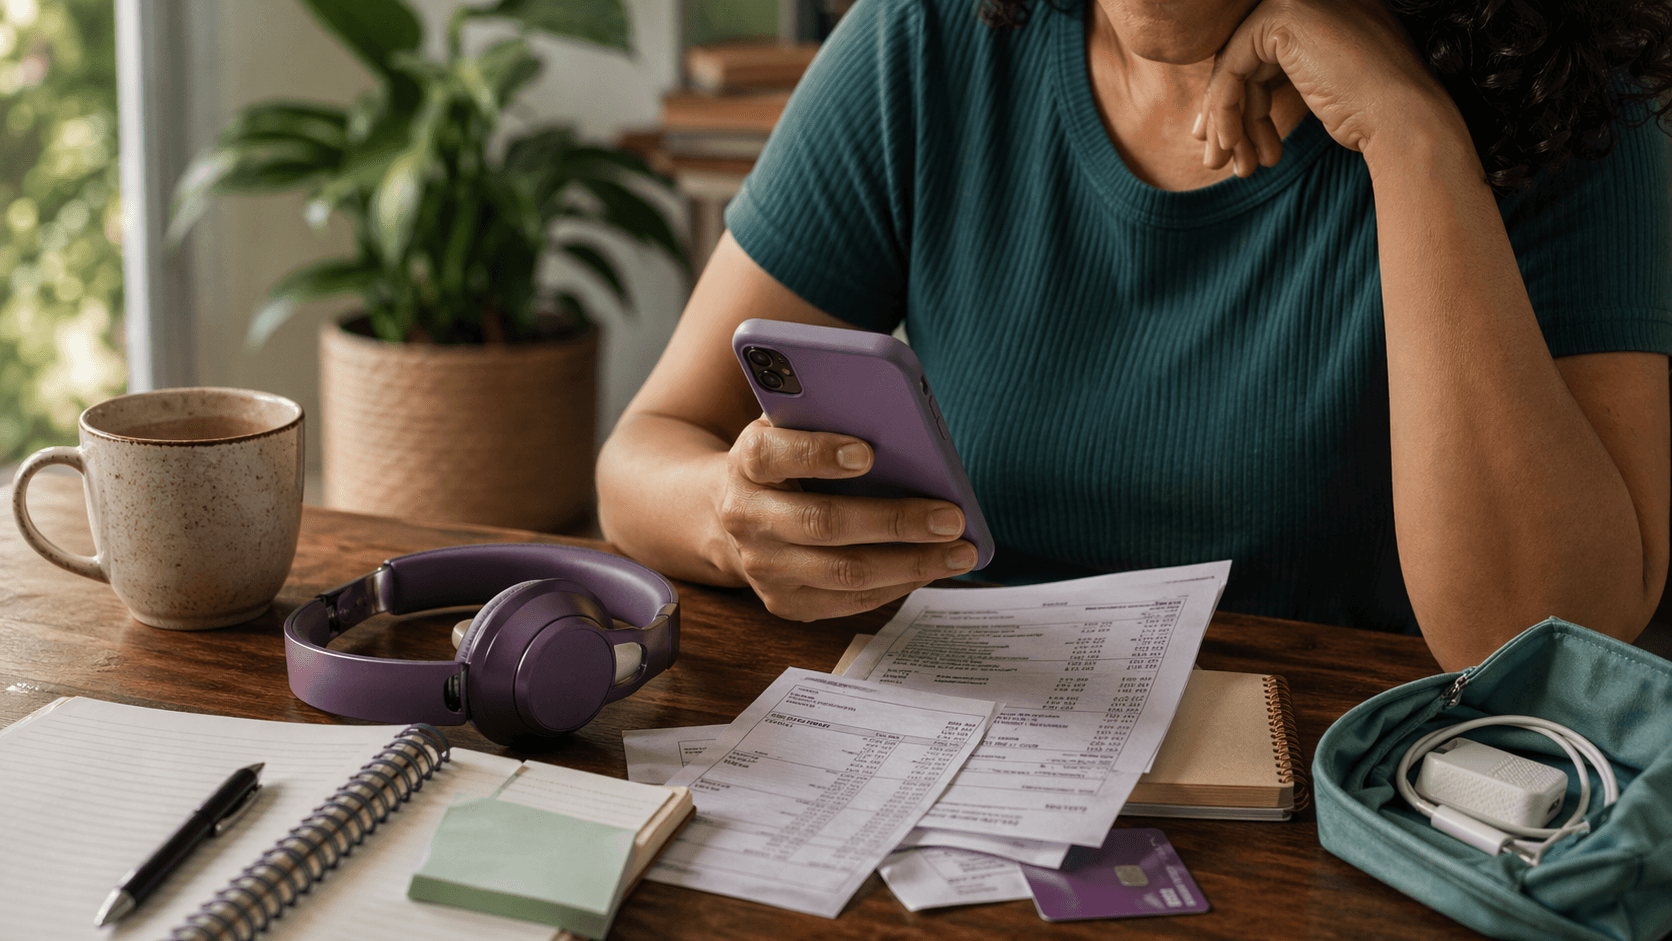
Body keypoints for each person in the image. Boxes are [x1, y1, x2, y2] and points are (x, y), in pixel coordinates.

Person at [596, 0, 1672, 672]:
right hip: (972, 766)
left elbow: (1543, 639)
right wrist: (730, 518)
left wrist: (1409, 135)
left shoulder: (1560, 86)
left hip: (1351, 811)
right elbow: (646, 452)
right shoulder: (927, 36)